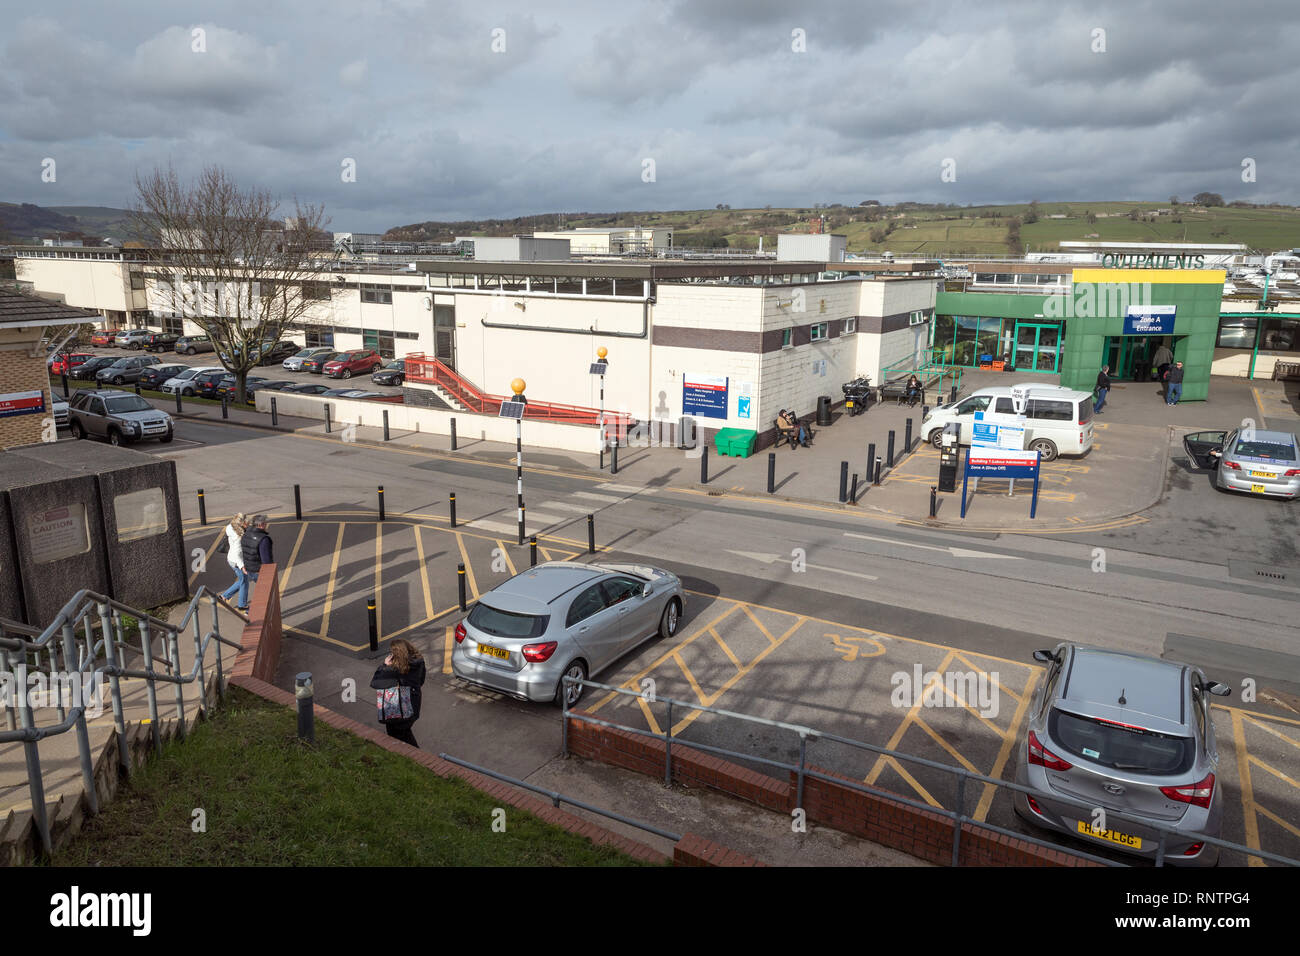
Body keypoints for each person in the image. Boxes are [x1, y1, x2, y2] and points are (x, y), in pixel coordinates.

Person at [370, 639, 427, 747]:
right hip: (413, 706)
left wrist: (384, 666)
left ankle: (415, 755)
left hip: (396, 709)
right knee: (405, 732)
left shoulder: (393, 669)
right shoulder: (419, 662)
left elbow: (375, 683)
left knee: (398, 735)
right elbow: (421, 681)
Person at [239, 514, 274, 611]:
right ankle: (250, 612)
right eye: (265, 523)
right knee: (264, 593)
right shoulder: (263, 539)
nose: (266, 525)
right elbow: (266, 561)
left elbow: (244, 550)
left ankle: (251, 611)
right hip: (259, 571)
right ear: (260, 525)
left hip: (249, 568)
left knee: (261, 591)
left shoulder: (246, 533)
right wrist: (269, 575)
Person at [218, 513, 248, 607]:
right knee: (244, 582)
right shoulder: (239, 537)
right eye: (245, 521)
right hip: (236, 562)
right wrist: (242, 566)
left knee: (242, 580)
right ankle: (242, 605)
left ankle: (224, 597)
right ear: (241, 523)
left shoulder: (230, 527)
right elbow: (237, 554)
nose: (247, 522)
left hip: (231, 559)